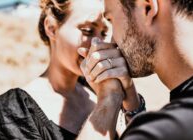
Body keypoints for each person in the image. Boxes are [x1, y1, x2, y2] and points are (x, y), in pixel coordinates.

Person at [0, 0, 142, 139]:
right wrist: (107, 100)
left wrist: (131, 98)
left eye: (105, 32)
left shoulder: (109, 91)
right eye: (87, 31)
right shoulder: (9, 113)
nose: (98, 44)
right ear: (51, 28)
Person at [76, 0, 193, 140]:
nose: (112, 41)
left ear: (147, 8)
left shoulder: (162, 132)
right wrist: (132, 104)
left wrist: (108, 97)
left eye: (111, 20)